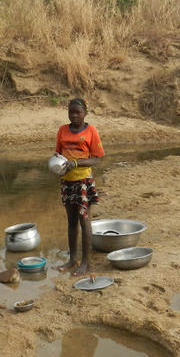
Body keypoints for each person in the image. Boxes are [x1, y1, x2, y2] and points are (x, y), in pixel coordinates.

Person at [54, 98, 105, 276]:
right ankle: (72, 259)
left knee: (84, 221)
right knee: (71, 222)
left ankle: (85, 263)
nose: (74, 115)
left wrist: (77, 162)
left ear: (85, 113)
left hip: (83, 181)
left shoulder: (91, 131)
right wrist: (56, 164)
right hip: (66, 181)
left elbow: (98, 158)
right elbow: (58, 154)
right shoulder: (62, 130)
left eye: (78, 112)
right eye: (71, 112)